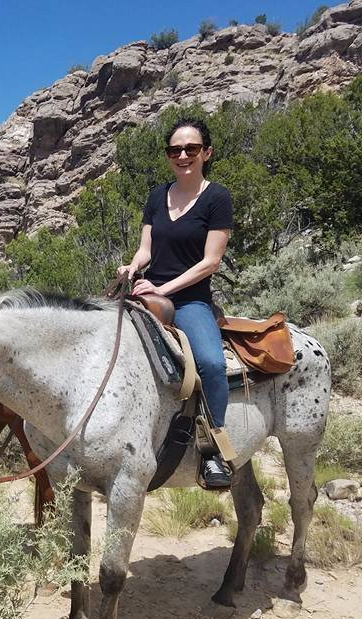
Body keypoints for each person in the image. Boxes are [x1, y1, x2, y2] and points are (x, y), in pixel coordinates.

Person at [117, 117, 233, 490]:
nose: (183, 155)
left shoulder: (217, 198)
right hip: (148, 291)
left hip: (189, 300)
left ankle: (215, 450)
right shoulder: (157, 196)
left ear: (206, 153)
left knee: (212, 364)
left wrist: (165, 289)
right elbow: (146, 249)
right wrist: (133, 266)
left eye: (191, 149)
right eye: (175, 150)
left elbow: (210, 262)